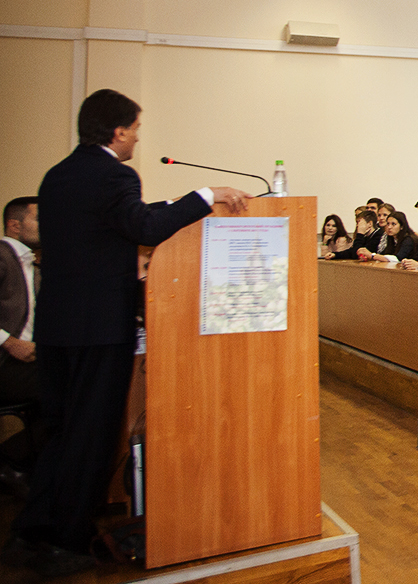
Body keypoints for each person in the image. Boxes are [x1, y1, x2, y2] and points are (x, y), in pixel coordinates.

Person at [7, 90, 250, 576]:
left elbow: (106, 222)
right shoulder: (115, 174)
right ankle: (66, 541)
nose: (138, 138)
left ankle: (32, 531)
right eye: (136, 129)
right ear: (118, 131)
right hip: (99, 329)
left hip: (57, 328)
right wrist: (205, 197)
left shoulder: (56, 177)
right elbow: (143, 225)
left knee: (59, 433)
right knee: (92, 437)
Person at [1, 197, 40, 484]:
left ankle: (20, 464)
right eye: (40, 219)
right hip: (5, 363)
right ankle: (12, 460)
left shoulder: (35, 265)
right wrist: (9, 342)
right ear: (15, 226)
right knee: (68, 388)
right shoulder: (2, 256)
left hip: (28, 364)